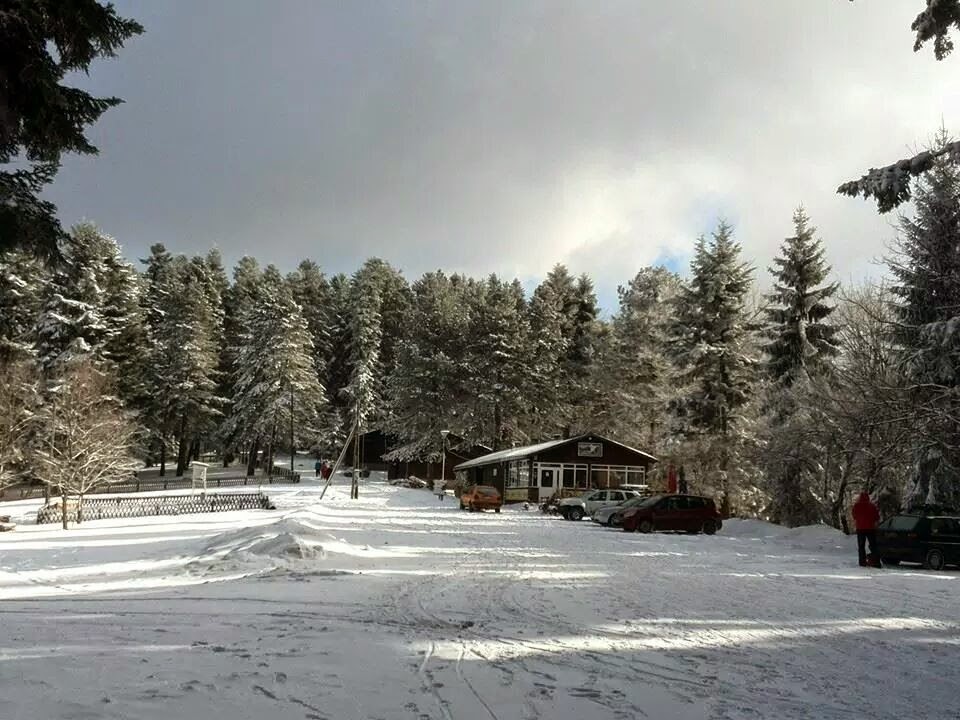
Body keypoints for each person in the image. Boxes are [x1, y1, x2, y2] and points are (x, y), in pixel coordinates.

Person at [852, 491, 881, 567]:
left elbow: (854, 516)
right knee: (873, 545)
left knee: (861, 546)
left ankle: (862, 562)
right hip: (870, 528)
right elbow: (877, 517)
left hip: (860, 528)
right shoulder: (872, 506)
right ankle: (876, 562)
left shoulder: (856, 506)